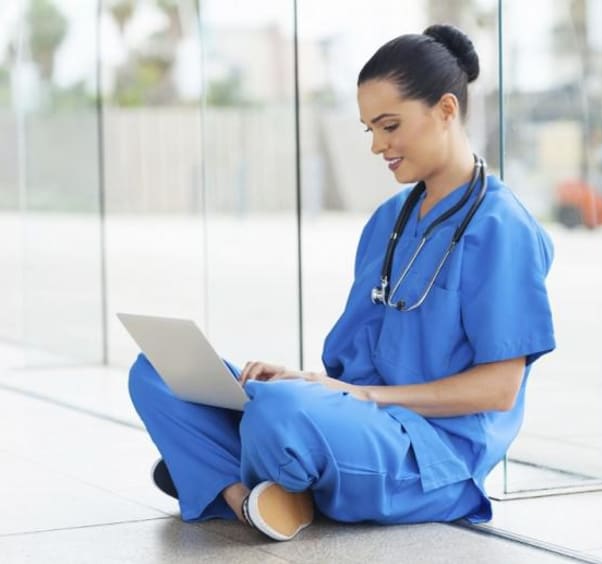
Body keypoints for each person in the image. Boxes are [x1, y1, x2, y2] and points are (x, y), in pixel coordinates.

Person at [129, 24, 555, 542]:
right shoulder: (389, 220)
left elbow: (499, 388)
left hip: (433, 457)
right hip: (359, 419)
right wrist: (304, 379)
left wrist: (356, 397)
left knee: (278, 414)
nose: (378, 145)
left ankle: (226, 472)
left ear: (446, 109)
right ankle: (248, 498)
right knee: (156, 371)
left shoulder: (501, 227)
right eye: (369, 129)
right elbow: (354, 369)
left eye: (390, 125)